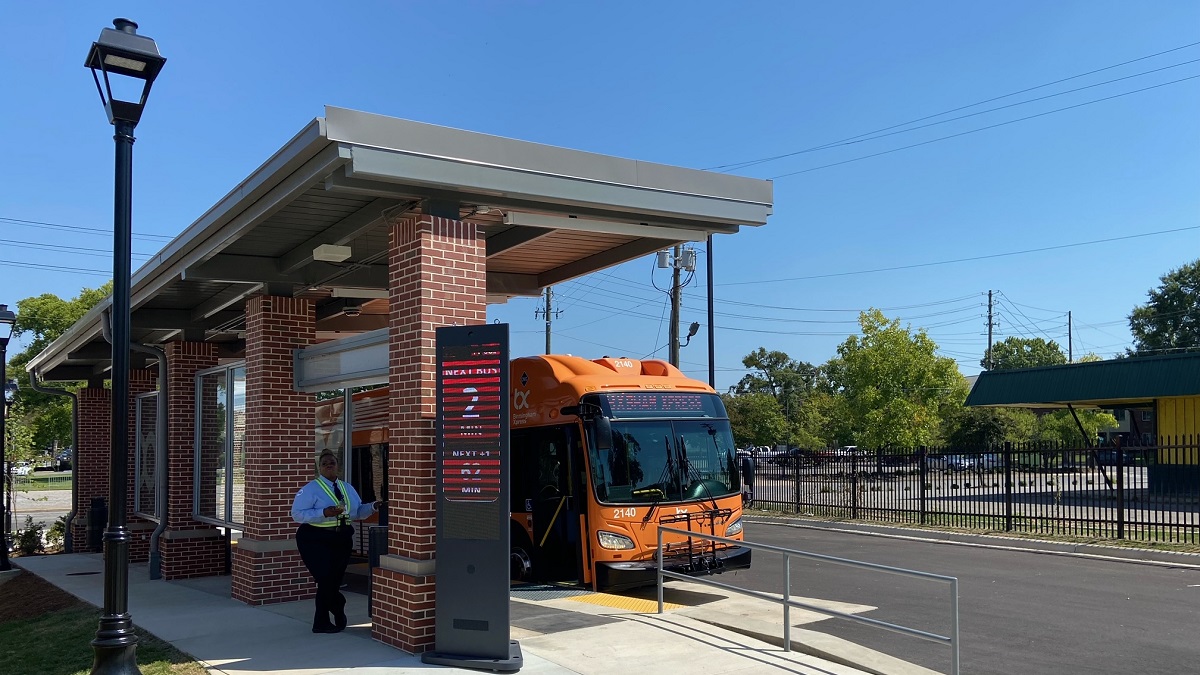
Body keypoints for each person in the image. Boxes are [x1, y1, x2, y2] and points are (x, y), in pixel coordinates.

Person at [291, 451, 383, 633]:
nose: (328, 465)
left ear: (337, 465)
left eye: (331, 462)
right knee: (325, 579)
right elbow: (297, 514)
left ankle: (335, 608)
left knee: (333, 581)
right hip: (315, 539)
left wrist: (373, 507)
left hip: (341, 539)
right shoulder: (310, 489)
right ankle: (323, 620)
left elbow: (357, 512)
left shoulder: (347, 488)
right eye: (324, 463)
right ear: (319, 468)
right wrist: (323, 513)